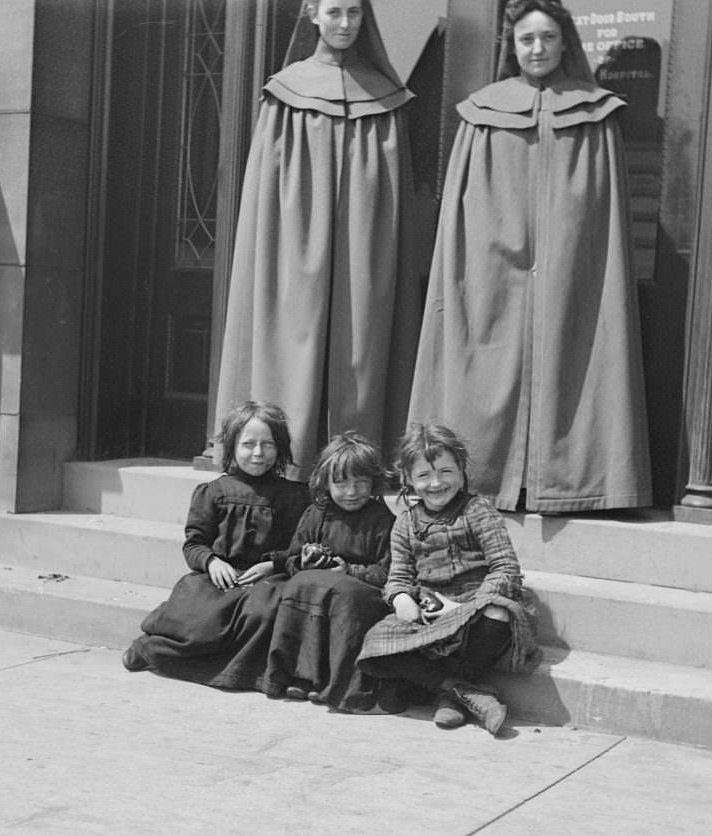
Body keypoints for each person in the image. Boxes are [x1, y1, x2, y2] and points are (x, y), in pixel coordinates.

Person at [408, 0, 652, 513]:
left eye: (546, 38)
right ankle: (490, 476)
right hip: (495, 269)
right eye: (526, 39)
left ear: (565, 42)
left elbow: (601, 220)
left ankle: (571, 482)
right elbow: (461, 213)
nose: (536, 49)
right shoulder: (482, 114)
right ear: (511, 45)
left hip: (570, 274)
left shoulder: (596, 115)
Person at [213, 0, 422, 478]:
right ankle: (286, 457)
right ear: (312, 13)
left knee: (362, 333)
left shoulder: (386, 99)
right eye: (334, 12)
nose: (345, 23)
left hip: (364, 244)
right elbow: (268, 194)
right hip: (294, 238)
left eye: (353, 12)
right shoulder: (285, 94)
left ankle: (355, 466)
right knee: (294, 321)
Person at [357, 423, 540, 735]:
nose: (436, 483)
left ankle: (450, 698)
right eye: (424, 476)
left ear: (461, 470)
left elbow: (505, 568)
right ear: (408, 480)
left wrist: (461, 608)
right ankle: (464, 693)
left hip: (478, 606)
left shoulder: (477, 510)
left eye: (445, 471)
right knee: (375, 645)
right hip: (432, 612)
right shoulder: (405, 523)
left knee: (498, 613)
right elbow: (399, 576)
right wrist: (402, 599)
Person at [122, 402, 309, 694]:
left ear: (280, 448)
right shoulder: (214, 492)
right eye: (248, 444)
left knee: (261, 615)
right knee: (200, 623)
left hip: (265, 579)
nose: (258, 454)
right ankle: (152, 649)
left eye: (267, 445)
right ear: (232, 446)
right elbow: (194, 543)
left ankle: (248, 674)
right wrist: (211, 562)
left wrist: (274, 564)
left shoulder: (296, 496)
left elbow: (299, 547)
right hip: (219, 577)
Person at [265, 431, 396, 712]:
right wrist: (305, 560)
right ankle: (300, 675)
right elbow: (290, 558)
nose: (351, 492)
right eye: (341, 483)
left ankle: (335, 682)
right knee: (301, 586)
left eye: (361, 483)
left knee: (341, 593)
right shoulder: (317, 513)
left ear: (374, 483)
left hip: (360, 593)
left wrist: (350, 570)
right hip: (316, 589)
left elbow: (389, 572)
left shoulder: (382, 520)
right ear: (326, 483)